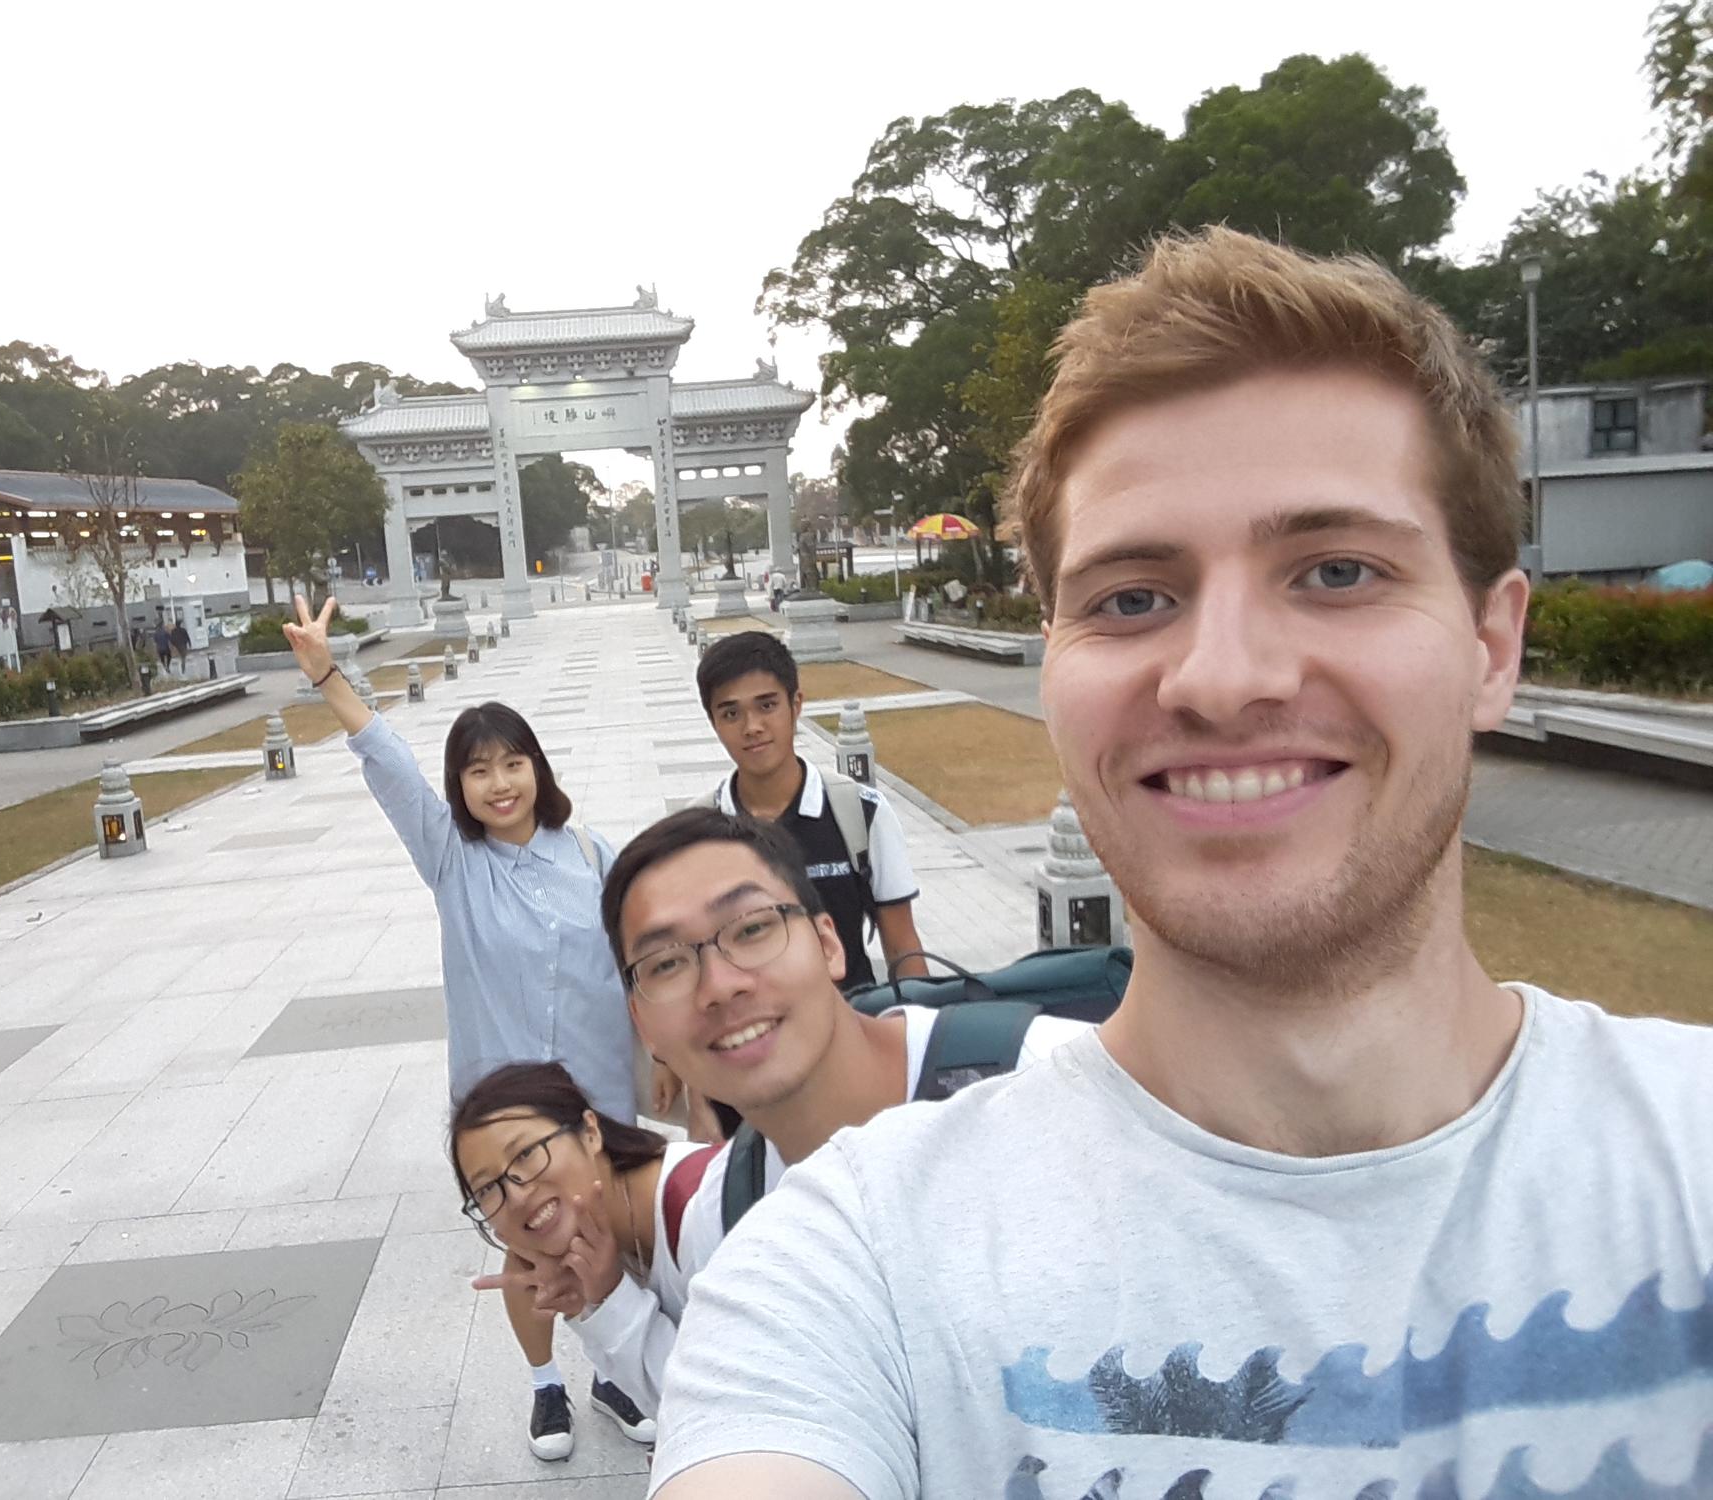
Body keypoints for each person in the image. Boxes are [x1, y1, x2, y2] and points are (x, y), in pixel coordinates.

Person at [649, 229, 1713, 1497]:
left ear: (1492, 645)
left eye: (1334, 571)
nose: (1221, 678)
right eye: (1131, 598)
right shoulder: (849, 1261)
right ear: (1050, 664)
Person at [480, 808, 1086, 1418]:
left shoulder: (1053, 1087)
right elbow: (729, 1411)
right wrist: (596, 1302)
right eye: (665, 964)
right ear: (643, 1026)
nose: (719, 985)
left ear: (828, 944)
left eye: (750, 929)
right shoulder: (726, 1218)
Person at [281, 594, 657, 1462]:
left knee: (615, 1237)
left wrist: (661, 1055)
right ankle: (545, 1386)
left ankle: (613, 1369)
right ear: (460, 788)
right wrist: (329, 675)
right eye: (478, 770)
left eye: (513, 763)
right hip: (505, 1108)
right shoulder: (452, 858)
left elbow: (631, 960)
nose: (499, 783)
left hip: (597, 1091)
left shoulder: (591, 853)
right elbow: (386, 762)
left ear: (538, 768)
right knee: (531, 1251)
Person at [450, 1063, 697, 1457]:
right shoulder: (610, 1242)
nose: (515, 1195)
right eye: (487, 1189)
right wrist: (592, 1302)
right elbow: (674, 1403)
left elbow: (719, 1407)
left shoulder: (703, 1211)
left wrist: (612, 1299)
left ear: (591, 1131)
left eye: (527, 1154)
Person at [696, 631, 926, 993]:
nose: (752, 726)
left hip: (852, 1030)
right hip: (754, 1038)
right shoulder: (699, 833)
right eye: (731, 713)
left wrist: (915, 1031)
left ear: (796, 704)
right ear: (713, 722)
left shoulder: (861, 814)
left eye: (767, 705)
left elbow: (902, 947)